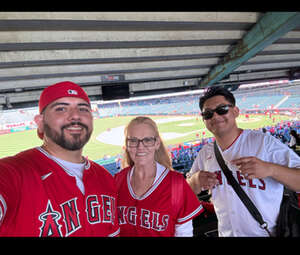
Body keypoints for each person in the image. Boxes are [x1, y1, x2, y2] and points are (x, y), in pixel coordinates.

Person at [0, 81, 120, 237]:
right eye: (61, 108)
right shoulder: (14, 172)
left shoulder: (105, 178)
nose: (76, 115)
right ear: (41, 123)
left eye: (83, 109)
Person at [186, 86, 300, 237]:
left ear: (235, 111)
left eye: (222, 109)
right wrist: (194, 182)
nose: (215, 116)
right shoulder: (205, 153)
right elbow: (183, 194)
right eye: (208, 114)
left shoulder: (263, 142)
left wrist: (270, 169)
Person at [114, 116, 203, 237]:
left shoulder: (176, 184)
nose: (140, 147)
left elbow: (184, 233)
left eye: (147, 140)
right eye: (133, 140)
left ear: (157, 143)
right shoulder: (117, 180)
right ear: (127, 145)